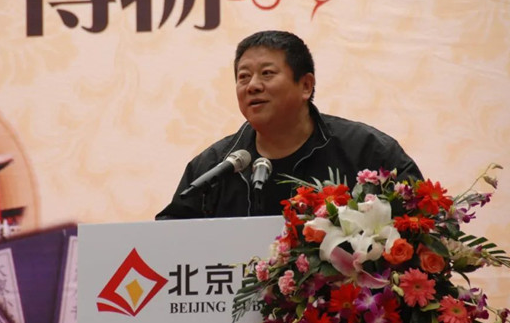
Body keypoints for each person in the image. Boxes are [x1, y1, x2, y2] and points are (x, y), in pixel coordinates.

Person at [155, 30, 422, 220]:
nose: (252, 86)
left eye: (267, 73)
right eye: (243, 77)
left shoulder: (367, 153)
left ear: (306, 85)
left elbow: (423, 222)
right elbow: (167, 242)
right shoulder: (213, 168)